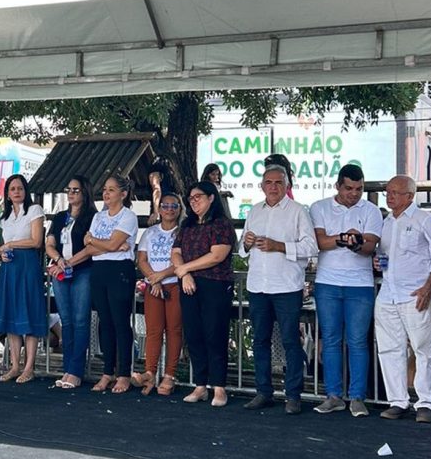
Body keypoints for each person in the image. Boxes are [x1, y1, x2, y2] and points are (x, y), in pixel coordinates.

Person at [239, 164, 318, 414]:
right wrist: (247, 243)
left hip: (286, 286)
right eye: (269, 182)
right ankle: (263, 392)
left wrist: (280, 246)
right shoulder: (254, 211)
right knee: (260, 340)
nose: (273, 187)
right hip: (258, 285)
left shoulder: (298, 211)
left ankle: (293, 395)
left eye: (278, 182)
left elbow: (311, 247)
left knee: (290, 341)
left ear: (287, 186)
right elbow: (242, 249)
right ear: (262, 186)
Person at [374, 175, 431, 423]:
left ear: (410, 196)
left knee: (423, 349)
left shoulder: (425, 220)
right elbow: (384, 256)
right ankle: (397, 400)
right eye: (387, 192)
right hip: (388, 292)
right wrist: (378, 262)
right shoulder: (386, 222)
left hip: (415, 293)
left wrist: (427, 289)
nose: (389, 196)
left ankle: (425, 403)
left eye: (395, 192)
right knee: (389, 348)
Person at [310, 164, 383, 417]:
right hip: (327, 281)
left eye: (359, 189)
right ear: (338, 186)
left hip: (360, 284)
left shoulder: (371, 210)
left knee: (357, 341)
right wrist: (345, 238)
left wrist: (357, 242)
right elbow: (320, 242)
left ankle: (357, 396)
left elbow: (370, 246)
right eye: (349, 188)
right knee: (330, 339)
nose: (354, 194)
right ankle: (333, 395)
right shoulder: (319, 207)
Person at [174, 182, 238, 405]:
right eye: (190, 198)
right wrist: (184, 274)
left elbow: (217, 255)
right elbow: (176, 253)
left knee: (215, 334)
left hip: (215, 284)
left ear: (211, 198)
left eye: (198, 197)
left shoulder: (221, 224)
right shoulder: (187, 225)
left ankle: (219, 387)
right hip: (189, 284)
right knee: (194, 334)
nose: (193, 202)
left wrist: (186, 268)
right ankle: (200, 385)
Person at [86, 175, 139, 394]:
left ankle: (124, 373)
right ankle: (107, 371)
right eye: (105, 189)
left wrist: (99, 242)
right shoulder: (98, 216)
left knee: (120, 321)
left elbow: (111, 243)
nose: (106, 194)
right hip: (99, 269)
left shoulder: (128, 216)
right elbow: (89, 246)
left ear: (123, 194)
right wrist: (107, 245)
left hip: (119, 270)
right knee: (104, 321)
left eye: (111, 190)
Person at [45, 176, 97, 389]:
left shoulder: (92, 217)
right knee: (66, 320)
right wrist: (59, 260)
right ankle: (67, 368)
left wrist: (68, 263)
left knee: (80, 320)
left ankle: (76, 370)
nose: (71, 193)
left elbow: (90, 248)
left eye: (76, 190)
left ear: (85, 192)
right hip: (61, 271)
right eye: (69, 190)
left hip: (82, 270)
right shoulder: (60, 217)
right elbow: (49, 244)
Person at [0, 173, 47, 383]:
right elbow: (2, 244)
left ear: (26, 191)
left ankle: (29, 367)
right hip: (10, 266)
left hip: (27, 265)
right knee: (11, 314)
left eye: (20, 188)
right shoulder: (4, 218)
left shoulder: (34, 210)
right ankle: (15, 365)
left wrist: (10, 245)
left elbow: (36, 241)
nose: (16, 192)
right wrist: (2, 251)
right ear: (7, 194)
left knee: (29, 312)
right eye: (12, 189)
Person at [133, 190, 184, 396]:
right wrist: (153, 279)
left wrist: (159, 277)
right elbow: (142, 259)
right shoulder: (150, 232)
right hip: (153, 286)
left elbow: (182, 261)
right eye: (165, 205)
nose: (169, 209)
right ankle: (150, 372)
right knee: (153, 330)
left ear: (179, 210)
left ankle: (170, 374)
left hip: (174, 283)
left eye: (174, 206)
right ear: (159, 209)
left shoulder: (182, 232)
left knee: (174, 330)